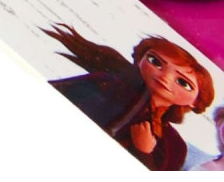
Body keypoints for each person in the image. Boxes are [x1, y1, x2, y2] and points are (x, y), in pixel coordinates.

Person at [45, 24, 214, 171]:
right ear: (140, 60)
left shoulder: (174, 145)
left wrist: (144, 152)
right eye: (155, 62)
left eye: (183, 82)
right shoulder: (105, 85)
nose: (165, 77)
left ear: (196, 102)